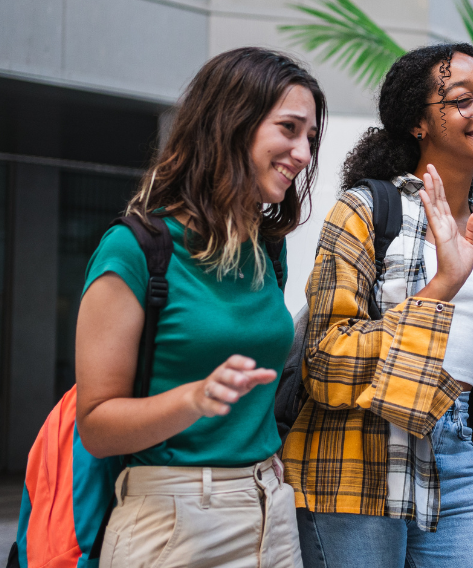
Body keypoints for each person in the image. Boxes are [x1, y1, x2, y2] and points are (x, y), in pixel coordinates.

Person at [75, 47, 326, 568]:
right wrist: (193, 398)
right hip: (172, 524)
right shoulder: (135, 249)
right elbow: (96, 427)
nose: (302, 153)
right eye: (289, 128)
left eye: (310, 138)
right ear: (231, 124)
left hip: (270, 511)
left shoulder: (266, 249)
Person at [281, 43, 473, 568]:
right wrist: (441, 286)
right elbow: (325, 359)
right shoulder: (367, 211)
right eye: (463, 101)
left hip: (455, 448)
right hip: (356, 450)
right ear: (419, 124)